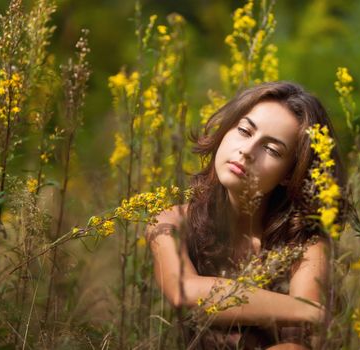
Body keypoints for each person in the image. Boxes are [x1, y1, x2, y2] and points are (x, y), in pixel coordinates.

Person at [147, 81, 346, 349]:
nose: (247, 151)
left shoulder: (306, 244)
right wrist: (311, 310)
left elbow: (301, 342)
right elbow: (183, 291)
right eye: (244, 130)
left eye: (272, 149)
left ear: (290, 174)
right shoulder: (169, 223)